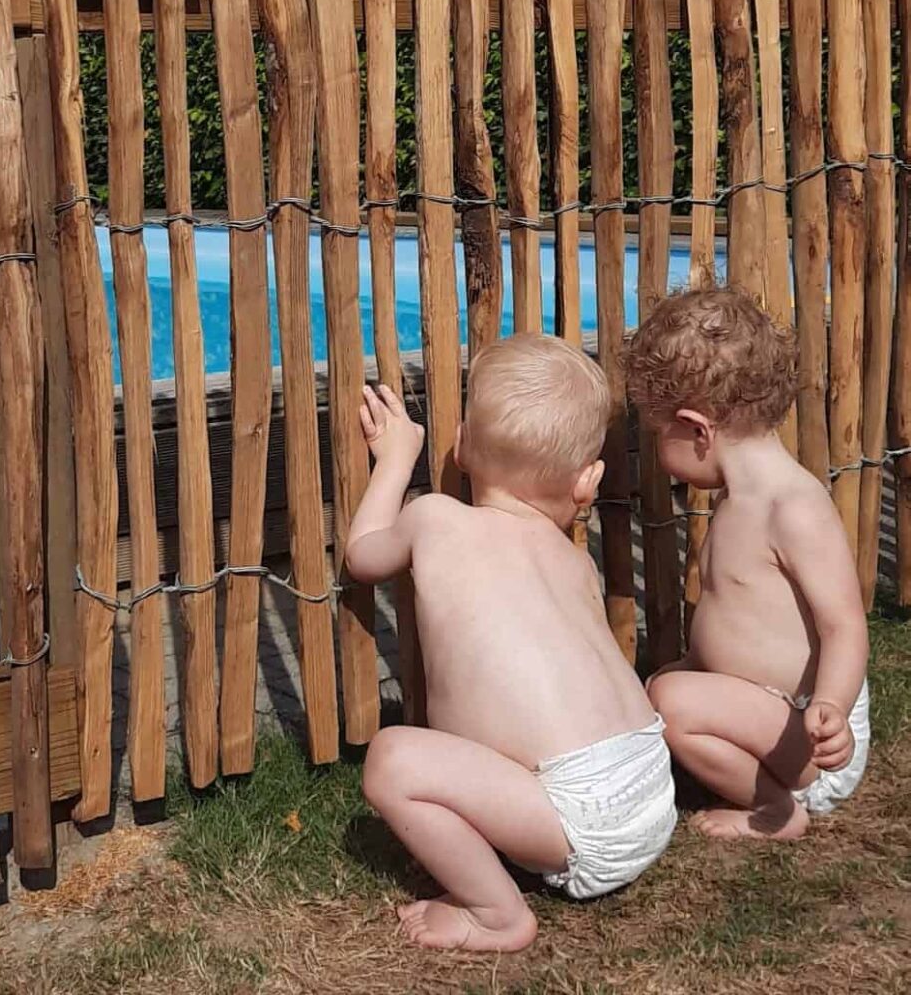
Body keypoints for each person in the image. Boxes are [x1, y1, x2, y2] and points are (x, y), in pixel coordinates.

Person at [346, 334, 676, 953]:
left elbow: (364, 557)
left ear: (463, 446)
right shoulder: (575, 564)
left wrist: (396, 459)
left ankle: (497, 914)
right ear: (588, 482)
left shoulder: (436, 519)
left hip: (581, 815)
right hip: (653, 785)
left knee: (393, 759)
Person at [621, 286, 870, 842]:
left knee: (669, 700)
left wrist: (831, 707)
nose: (657, 452)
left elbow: (844, 625)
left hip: (811, 729)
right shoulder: (741, 497)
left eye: (658, 433)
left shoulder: (793, 507)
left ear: (697, 429)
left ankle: (777, 811)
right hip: (770, 710)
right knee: (661, 687)